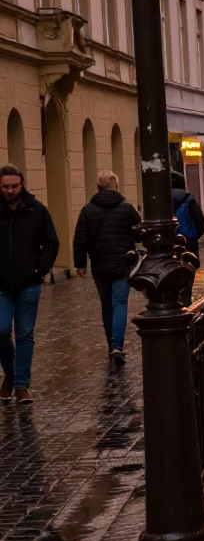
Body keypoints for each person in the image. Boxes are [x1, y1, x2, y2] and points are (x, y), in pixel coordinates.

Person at [0, 165, 59, 404]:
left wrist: (39, 270)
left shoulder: (36, 210)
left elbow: (51, 243)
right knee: (1, 330)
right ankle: (11, 374)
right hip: (1, 283)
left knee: (25, 333)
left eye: (15, 186)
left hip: (29, 282)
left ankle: (22, 385)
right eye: (5, 186)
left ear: (22, 184)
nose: (10, 190)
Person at [73, 170, 141, 365]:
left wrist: (80, 264)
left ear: (98, 188)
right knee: (119, 303)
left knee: (106, 305)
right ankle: (117, 345)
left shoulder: (88, 210)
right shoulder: (128, 209)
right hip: (122, 263)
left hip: (99, 264)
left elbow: (80, 239)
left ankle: (110, 345)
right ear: (116, 187)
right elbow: (139, 233)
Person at [171, 170, 204, 305]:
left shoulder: (161, 200)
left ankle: (175, 300)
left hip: (169, 243)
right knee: (188, 273)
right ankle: (185, 301)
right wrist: (194, 236)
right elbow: (201, 223)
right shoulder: (188, 199)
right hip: (188, 242)